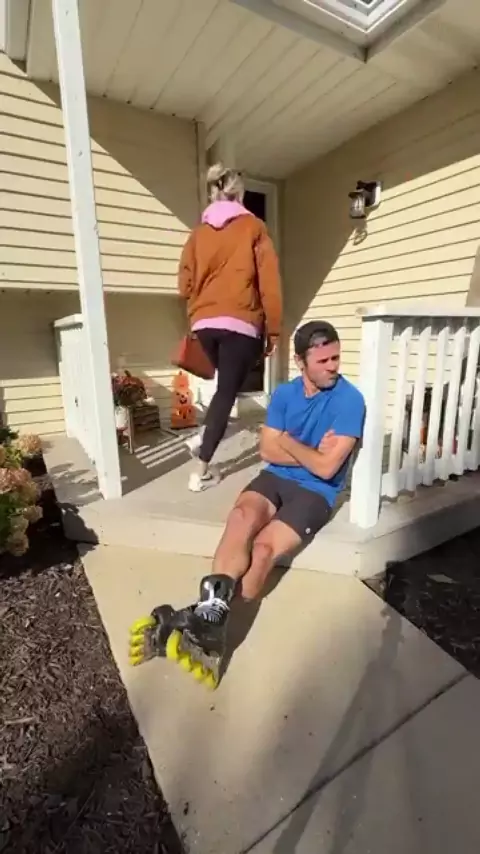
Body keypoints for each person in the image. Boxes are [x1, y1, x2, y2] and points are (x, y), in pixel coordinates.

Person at [129, 320, 365, 687]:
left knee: (263, 549)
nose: (333, 367)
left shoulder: (349, 400)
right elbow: (267, 451)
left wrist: (287, 441)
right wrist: (304, 450)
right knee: (241, 516)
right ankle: (208, 628)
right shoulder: (284, 395)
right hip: (275, 477)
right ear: (300, 362)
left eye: (336, 358)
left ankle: (193, 621)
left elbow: (325, 468)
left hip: (317, 492)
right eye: (323, 361)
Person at [177, 162, 282, 493]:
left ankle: (203, 438)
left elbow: (184, 284)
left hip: (205, 323)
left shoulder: (198, 234)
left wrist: (202, 303)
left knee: (224, 386)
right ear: (240, 193)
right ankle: (201, 468)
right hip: (240, 322)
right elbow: (269, 283)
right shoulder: (254, 228)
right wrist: (274, 329)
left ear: (214, 193)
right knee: (227, 391)